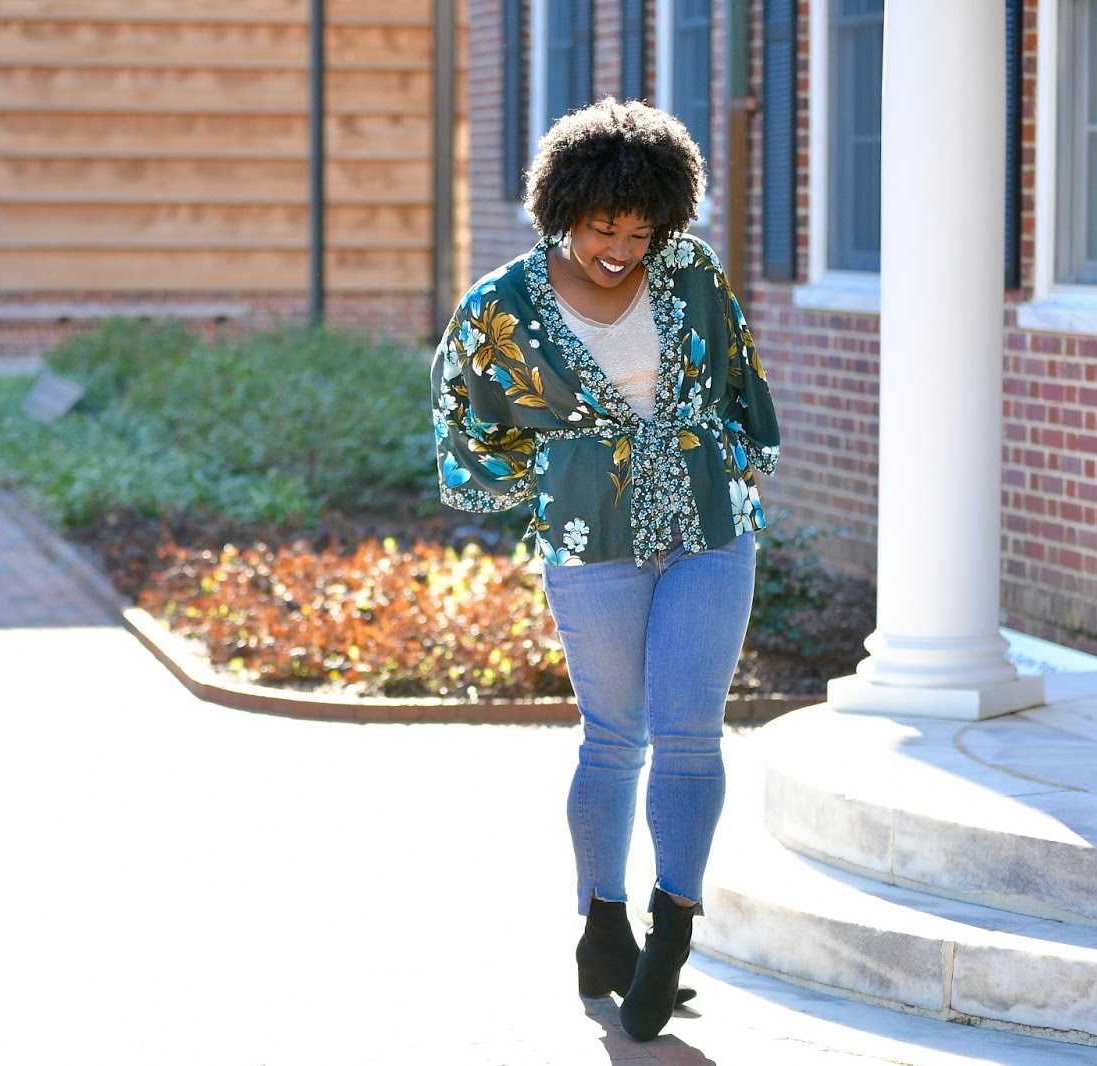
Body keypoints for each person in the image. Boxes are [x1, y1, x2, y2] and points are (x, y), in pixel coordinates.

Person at [430, 97, 780, 1042]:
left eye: (640, 230)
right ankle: (602, 925)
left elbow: (739, 376)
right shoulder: (502, 304)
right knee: (614, 736)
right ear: (563, 210)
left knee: (691, 735)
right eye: (602, 228)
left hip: (710, 524)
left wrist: (738, 459)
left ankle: (672, 930)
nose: (621, 249)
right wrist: (550, 471)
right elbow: (463, 413)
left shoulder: (690, 270)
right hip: (591, 535)